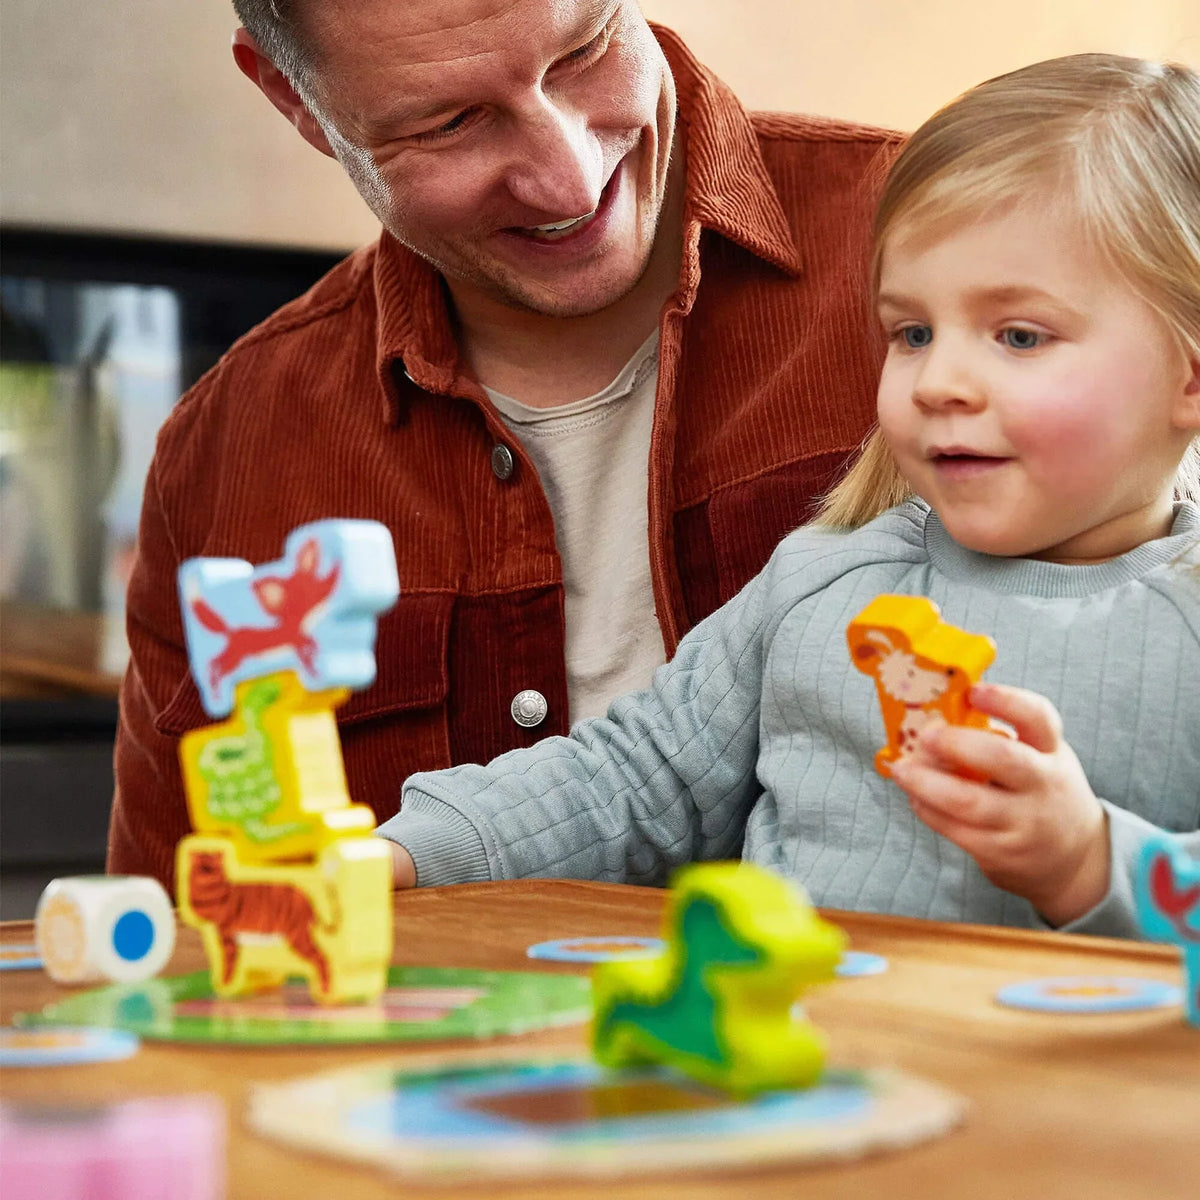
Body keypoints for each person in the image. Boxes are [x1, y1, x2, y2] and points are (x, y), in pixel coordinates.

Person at [377, 53, 1200, 939]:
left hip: (1067, 1074)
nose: (939, 382)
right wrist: (403, 852)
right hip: (797, 1061)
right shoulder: (824, 576)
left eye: (1021, 334)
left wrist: (1088, 859)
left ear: (1187, 379)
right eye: (913, 332)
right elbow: (635, 777)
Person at [108, 1, 900, 888]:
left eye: (585, 49)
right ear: (294, 99)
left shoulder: (967, 252)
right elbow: (174, 945)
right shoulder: (226, 451)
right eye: (449, 122)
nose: (570, 181)